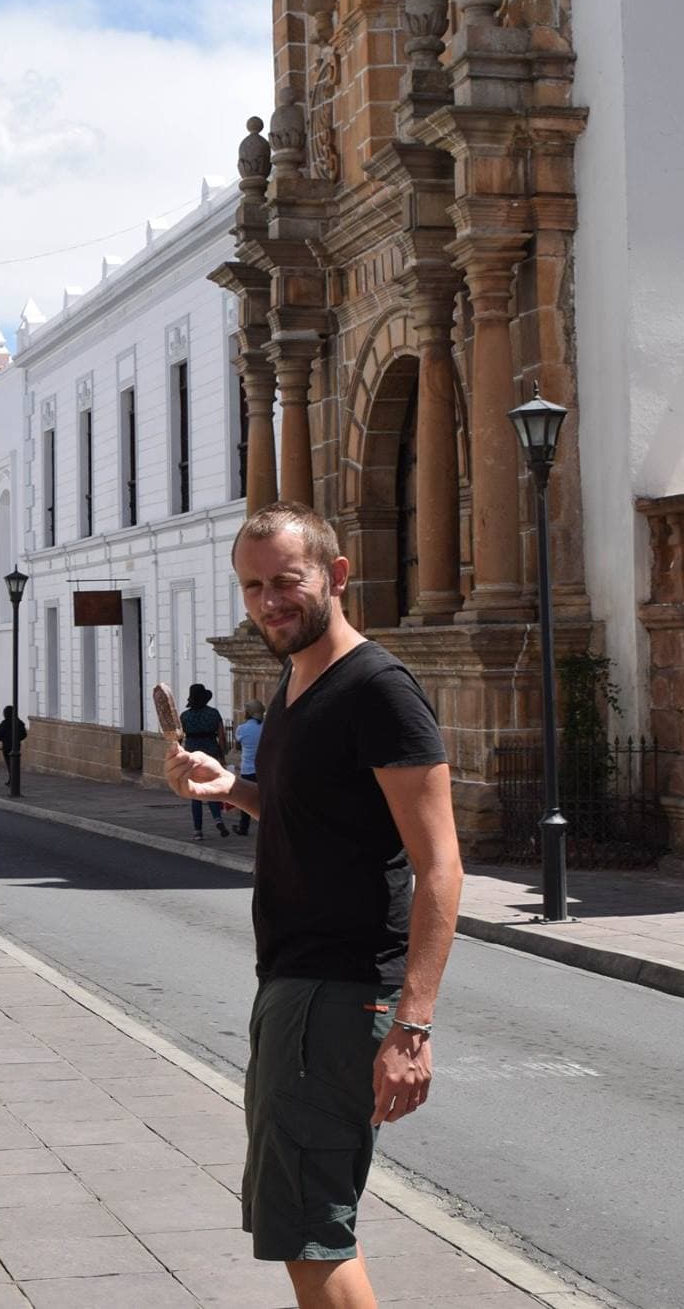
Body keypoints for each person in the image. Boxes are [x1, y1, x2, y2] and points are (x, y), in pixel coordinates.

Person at [163, 502, 463, 1309]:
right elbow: (323, 816)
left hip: (336, 992)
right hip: (298, 988)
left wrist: (414, 1024)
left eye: (285, 581)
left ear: (335, 575)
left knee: (308, 1232)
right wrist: (235, 789)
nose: (268, 601)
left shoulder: (378, 688)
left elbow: (440, 864)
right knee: (314, 1223)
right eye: (253, 586)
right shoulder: (298, 683)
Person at [179, 683, 230, 839]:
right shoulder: (214, 714)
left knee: (195, 792)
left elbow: (179, 737)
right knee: (212, 789)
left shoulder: (185, 716)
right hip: (211, 752)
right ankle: (217, 819)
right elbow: (221, 736)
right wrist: (222, 755)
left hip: (193, 754)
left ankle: (197, 831)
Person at [231, 699, 265, 835]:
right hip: (262, 769)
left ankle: (243, 827)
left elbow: (238, 745)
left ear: (249, 713)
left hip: (248, 768)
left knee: (246, 800)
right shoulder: (266, 727)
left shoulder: (242, 728)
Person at [0, 706, 27, 787]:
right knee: (15, 763)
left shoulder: (4, 723)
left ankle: (12, 780)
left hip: (7, 746)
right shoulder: (19, 722)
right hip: (16, 746)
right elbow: (24, 734)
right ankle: (13, 779)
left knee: (9, 764)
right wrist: (17, 738)